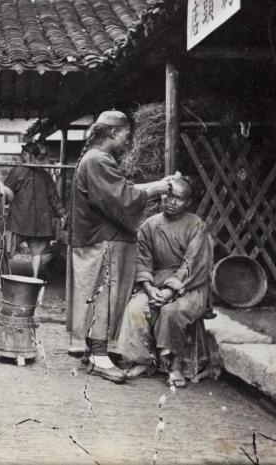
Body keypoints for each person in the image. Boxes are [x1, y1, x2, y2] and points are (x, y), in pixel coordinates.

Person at [67, 110, 172, 383]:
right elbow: (123, 199)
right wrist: (156, 189)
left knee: (98, 296)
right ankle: (100, 356)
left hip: (98, 241)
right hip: (104, 242)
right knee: (105, 297)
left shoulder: (95, 159)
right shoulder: (98, 161)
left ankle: (94, 351)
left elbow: (121, 191)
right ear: (114, 133)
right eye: (126, 134)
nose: (128, 140)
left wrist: (157, 185)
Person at [115, 176, 218, 387]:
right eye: (168, 196)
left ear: (188, 202)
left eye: (178, 199)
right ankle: (143, 360)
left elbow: (193, 263)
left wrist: (171, 290)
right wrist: (148, 288)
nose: (171, 202)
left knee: (171, 311)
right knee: (136, 307)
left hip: (191, 286)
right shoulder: (149, 225)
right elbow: (142, 261)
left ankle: (176, 365)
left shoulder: (197, 226)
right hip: (156, 284)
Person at [0, 142, 66, 281]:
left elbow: (6, 192)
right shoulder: (43, 174)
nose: (22, 156)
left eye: (23, 153)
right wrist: (62, 212)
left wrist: (62, 213)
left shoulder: (19, 172)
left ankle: (6, 277)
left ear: (28, 154)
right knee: (34, 252)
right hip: (35, 221)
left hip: (21, 220)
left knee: (6, 248)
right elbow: (54, 198)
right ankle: (33, 277)